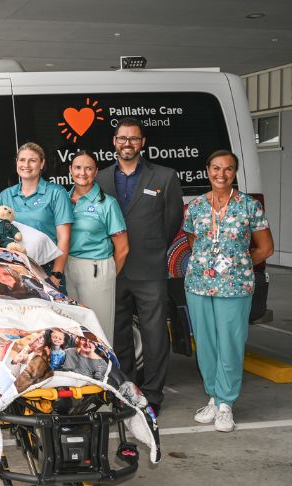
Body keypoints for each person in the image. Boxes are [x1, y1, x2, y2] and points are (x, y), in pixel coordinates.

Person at [97, 117, 183, 415]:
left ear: (143, 142)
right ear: (114, 142)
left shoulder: (165, 176)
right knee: (120, 333)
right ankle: (127, 390)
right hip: (114, 268)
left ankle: (153, 394)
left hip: (149, 268)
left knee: (154, 334)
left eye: (134, 139)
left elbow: (172, 222)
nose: (128, 144)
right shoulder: (101, 178)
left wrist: (152, 246)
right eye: (123, 138)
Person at [184, 150, 273, 432]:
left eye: (228, 169)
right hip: (199, 284)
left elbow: (265, 248)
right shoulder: (196, 206)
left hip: (236, 286)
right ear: (207, 170)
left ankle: (226, 404)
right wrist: (206, 266)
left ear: (235, 172)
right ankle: (213, 396)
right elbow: (192, 243)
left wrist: (239, 263)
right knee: (206, 343)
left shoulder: (249, 206)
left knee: (230, 344)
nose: (221, 174)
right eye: (216, 168)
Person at [66, 151, 129, 343]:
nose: (82, 172)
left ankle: (105, 373)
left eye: (88, 168)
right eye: (77, 167)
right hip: (68, 267)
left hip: (96, 268)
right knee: (74, 332)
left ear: (96, 172)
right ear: (70, 170)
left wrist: (107, 274)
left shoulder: (107, 203)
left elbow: (123, 248)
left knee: (98, 332)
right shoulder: (62, 198)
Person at [0, 142, 73, 291]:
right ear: (16, 162)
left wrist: (56, 275)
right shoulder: (6, 195)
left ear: (42, 164)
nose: (27, 165)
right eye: (22, 160)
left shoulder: (57, 193)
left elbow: (64, 237)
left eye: (33, 160)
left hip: (47, 267)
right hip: (15, 267)